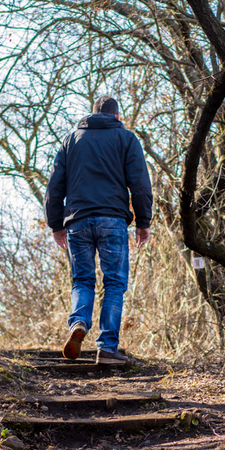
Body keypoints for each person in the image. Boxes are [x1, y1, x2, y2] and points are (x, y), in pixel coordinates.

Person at [44, 96, 152, 365]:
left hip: (77, 221)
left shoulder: (71, 140)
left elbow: (54, 187)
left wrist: (56, 225)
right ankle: (106, 348)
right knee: (114, 282)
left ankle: (79, 322)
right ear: (117, 116)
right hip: (112, 219)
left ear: (91, 115)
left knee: (82, 280)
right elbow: (140, 183)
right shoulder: (126, 139)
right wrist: (143, 222)